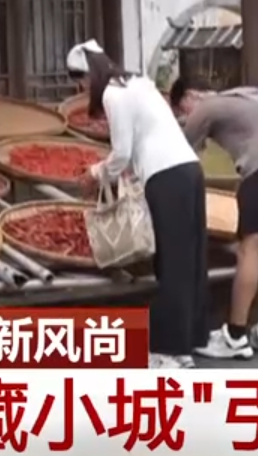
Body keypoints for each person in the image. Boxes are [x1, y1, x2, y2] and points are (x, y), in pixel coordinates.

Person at [67, 40, 214, 369]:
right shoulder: (139, 84)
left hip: (166, 176)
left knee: (171, 264)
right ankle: (188, 343)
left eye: (80, 82)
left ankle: (166, 350)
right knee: (190, 261)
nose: (82, 90)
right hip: (189, 171)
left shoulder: (112, 94)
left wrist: (95, 174)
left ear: (88, 76)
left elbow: (121, 152)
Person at [172, 77, 258, 360]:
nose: (186, 114)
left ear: (189, 96)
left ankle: (236, 335)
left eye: (181, 108)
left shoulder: (206, 107)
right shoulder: (250, 93)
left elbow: (180, 152)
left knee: (251, 247)